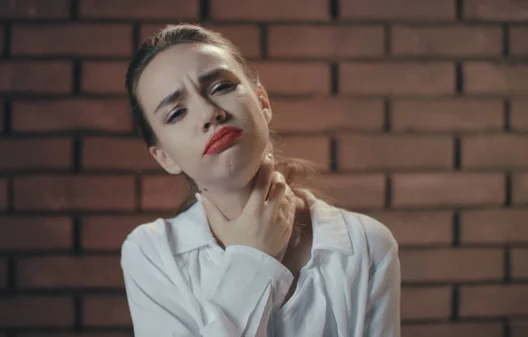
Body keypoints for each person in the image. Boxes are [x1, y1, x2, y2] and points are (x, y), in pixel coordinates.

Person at [121, 23, 400, 337]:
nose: (209, 113)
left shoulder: (366, 243)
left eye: (220, 88)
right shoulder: (152, 253)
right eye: (176, 113)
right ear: (164, 157)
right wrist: (254, 259)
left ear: (262, 102)